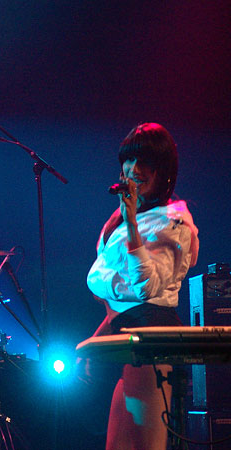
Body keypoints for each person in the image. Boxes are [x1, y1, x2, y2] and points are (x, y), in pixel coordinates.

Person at [85, 123, 199, 450]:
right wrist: (97, 339)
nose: (133, 169)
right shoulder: (125, 218)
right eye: (128, 160)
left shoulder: (173, 222)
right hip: (126, 339)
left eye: (144, 161)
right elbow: (124, 301)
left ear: (163, 171)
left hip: (150, 341)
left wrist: (132, 222)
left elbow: (147, 290)